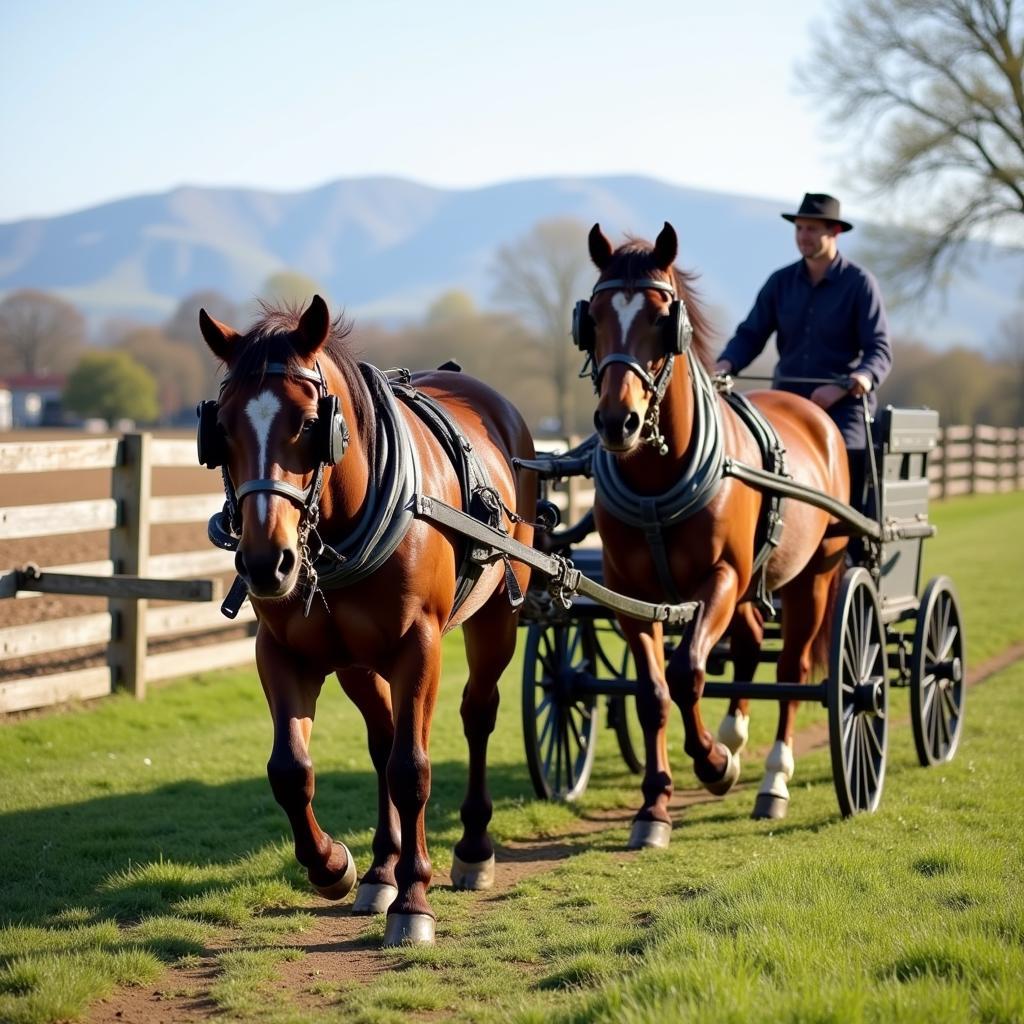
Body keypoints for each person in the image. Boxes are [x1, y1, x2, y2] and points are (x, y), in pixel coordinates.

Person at [713, 192, 892, 512]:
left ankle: (848, 544)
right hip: (786, 401)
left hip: (843, 408)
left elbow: (879, 350)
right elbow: (751, 334)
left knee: (848, 466)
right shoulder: (779, 282)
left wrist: (853, 382)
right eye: (799, 229)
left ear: (834, 232)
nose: (803, 236)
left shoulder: (860, 283)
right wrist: (725, 364)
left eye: (811, 229)